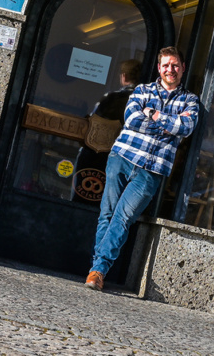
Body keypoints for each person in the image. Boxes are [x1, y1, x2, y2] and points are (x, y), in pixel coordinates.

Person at [85, 46, 199, 291]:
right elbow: (132, 120)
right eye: (166, 65)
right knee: (108, 212)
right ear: (159, 68)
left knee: (123, 217)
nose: (171, 69)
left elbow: (185, 128)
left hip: (152, 171)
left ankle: (97, 269)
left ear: (182, 68)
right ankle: (97, 270)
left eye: (175, 65)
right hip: (122, 157)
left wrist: (153, 114)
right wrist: (167, 125)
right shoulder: (142, 90)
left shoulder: (190, 100)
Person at [71, 59, 142, 205]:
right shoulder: (145, 104)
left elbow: (90, 130)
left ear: (124, 76)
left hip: (96, 158)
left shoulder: (111, 99)